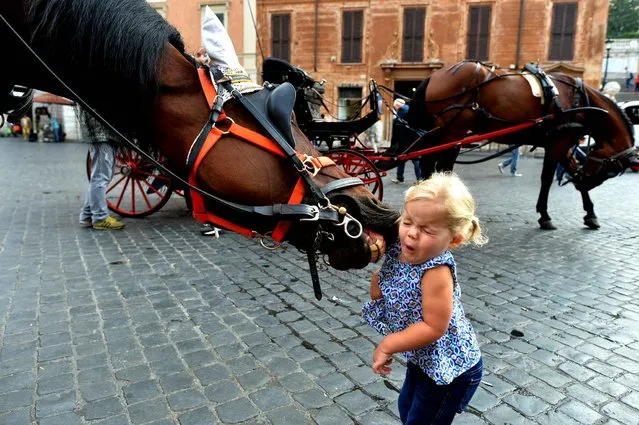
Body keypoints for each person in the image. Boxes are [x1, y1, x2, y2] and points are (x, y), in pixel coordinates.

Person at [362, 172, 486, 425]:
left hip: (450, 369)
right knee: (406, 407)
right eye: (408, 221)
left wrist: (388, 344)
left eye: (427, 230)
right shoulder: (404, 246)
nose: (412, 234)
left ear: (453, 240)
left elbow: (433, 326)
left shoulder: (436, 271)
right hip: (423, 360)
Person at [79, 136, 126, 230]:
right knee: (100, 177)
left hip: (104, 137)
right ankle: (100, 218)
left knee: (101, 176)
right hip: (102, 137)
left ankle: (88, 214)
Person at [391, 99, 422, 184]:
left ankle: (419, 179)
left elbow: (397, 123)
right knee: (402, 159)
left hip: (408, 140)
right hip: (408, 140)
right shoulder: (407, 109)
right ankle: (400, 177)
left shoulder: (403, 110)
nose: (395, 109)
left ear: (397, 105)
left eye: (395, 107)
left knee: (414, 160)